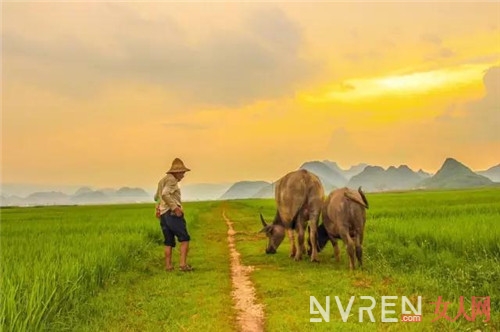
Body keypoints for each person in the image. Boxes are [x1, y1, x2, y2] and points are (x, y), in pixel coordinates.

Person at [156, 158, 193, 272]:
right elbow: (165, 194)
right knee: (185, 238)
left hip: (163, 214)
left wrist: (158, 208)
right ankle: (183, 265)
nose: (183, 175)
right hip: (171, 213)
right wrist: (175, 208)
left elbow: (157, 196)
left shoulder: (162, 180)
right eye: (182, 172)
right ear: (176, 172)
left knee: (168, 241)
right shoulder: (172, 180)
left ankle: (168, 266)